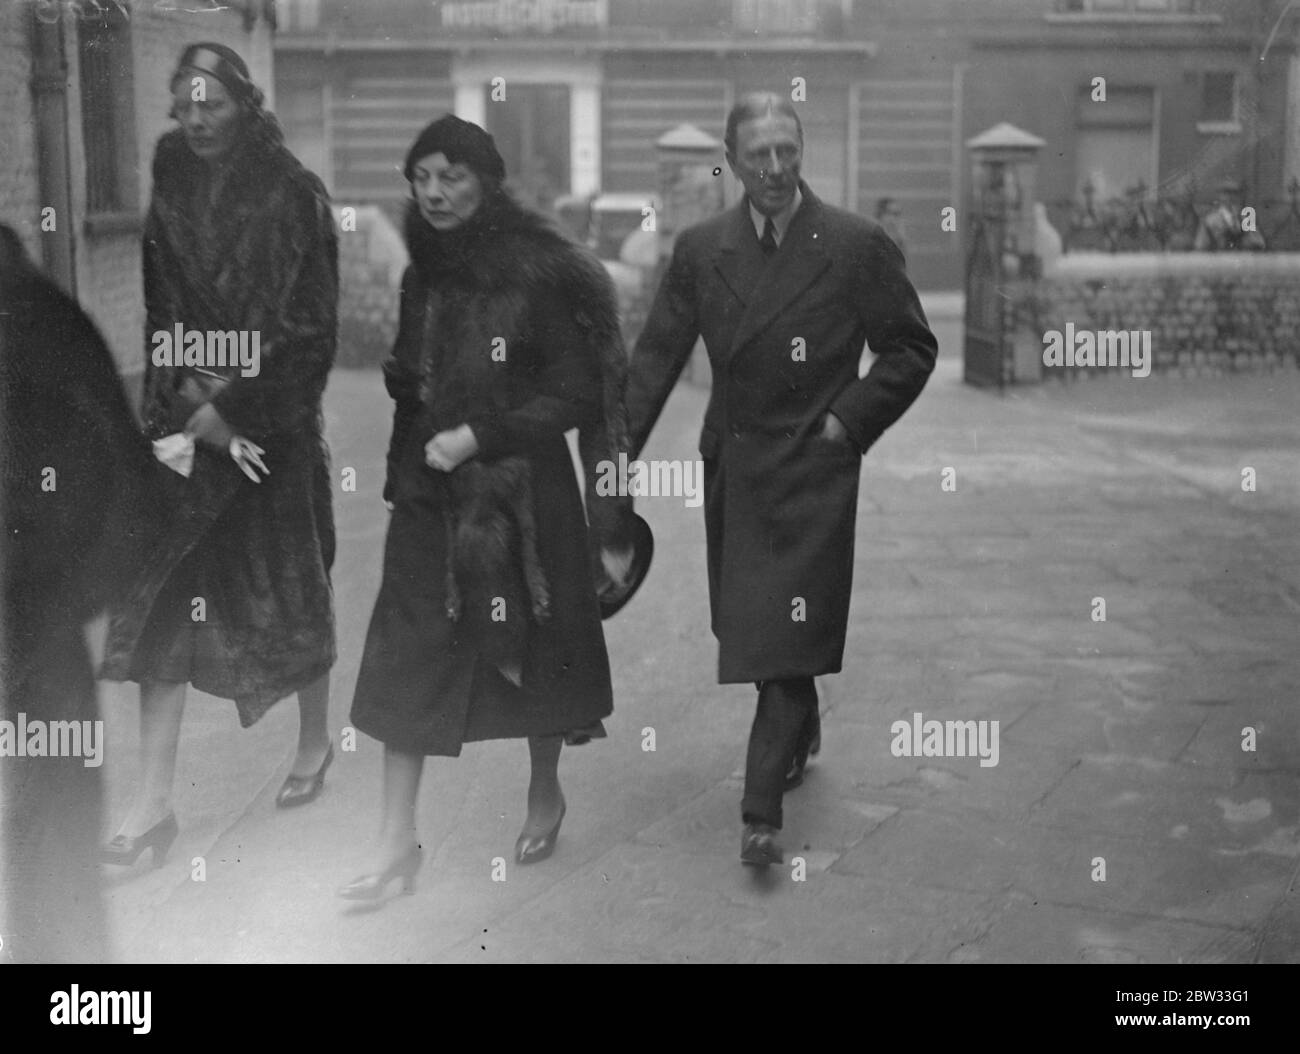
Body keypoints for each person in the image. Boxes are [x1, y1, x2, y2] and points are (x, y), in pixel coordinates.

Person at [623, 93, 938, 866]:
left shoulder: (856, 244)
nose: (774, 169)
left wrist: (848, 422)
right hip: (736, 464)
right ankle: (801, 721)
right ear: (729, 161)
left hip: (813, 467)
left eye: (787, 152)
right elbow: (656, 360)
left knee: (783, 640)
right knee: (747, 629)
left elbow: (909, 348)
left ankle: (759, 812)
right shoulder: (702, 249)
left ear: (802, 153)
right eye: (757, 154)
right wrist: (611, 460)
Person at [342, 115, 629, 899]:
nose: (432, 193)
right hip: (431, 497)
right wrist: (406, 473)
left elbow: (572, 393)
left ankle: (545, 789)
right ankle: (395, 842)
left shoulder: (537, 271)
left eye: (451, 176)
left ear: (486, 181)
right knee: (405, 656)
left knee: (538, 651)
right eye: (420, 177)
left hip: (524, 495)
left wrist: (482, 435)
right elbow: (409, 386)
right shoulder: (420, 276)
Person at [98, 43, 339, 865]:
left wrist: (233, 409)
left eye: (214, 102)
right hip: (185, 424)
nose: (197, 118)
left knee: (291, 594)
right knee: (159, 604)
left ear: (246, 103)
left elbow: (311, 333)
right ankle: (152, 806)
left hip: (270, 432)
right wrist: (180, 405)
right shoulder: (168, 180)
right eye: (185, 102)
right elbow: (160, 310)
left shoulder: (297, 195)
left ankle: (314, 743)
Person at [0, 225, 157, 960]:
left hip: (29, 640)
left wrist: (55, 602)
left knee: (49, 851)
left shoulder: (35, 320)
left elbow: (126, 485)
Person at [1194, 178, 1266, 252]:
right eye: (1227, 193)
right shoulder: (1210, 220)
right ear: (1220, 196)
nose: (1231, 197)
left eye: (1235, 193)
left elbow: (1259, 243)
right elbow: (1201, 246)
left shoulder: (1246, 218)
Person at [875, 196, 908, 264]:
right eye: (891, 213)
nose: (894, 219)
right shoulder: (872, 243)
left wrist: (901, 241)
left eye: (898, 214)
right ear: (880, 216)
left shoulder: (899, 241)